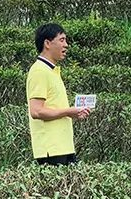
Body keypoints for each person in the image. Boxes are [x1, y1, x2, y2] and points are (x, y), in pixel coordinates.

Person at [27, 22, 89, 165]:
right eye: (61, 40)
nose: (66, 45)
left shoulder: (52, 71)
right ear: (47, 43)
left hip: (63, 146)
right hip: (51, 148)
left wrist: (72, 113)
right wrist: (68, 111)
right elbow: (36, 111)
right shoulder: (39, 71)